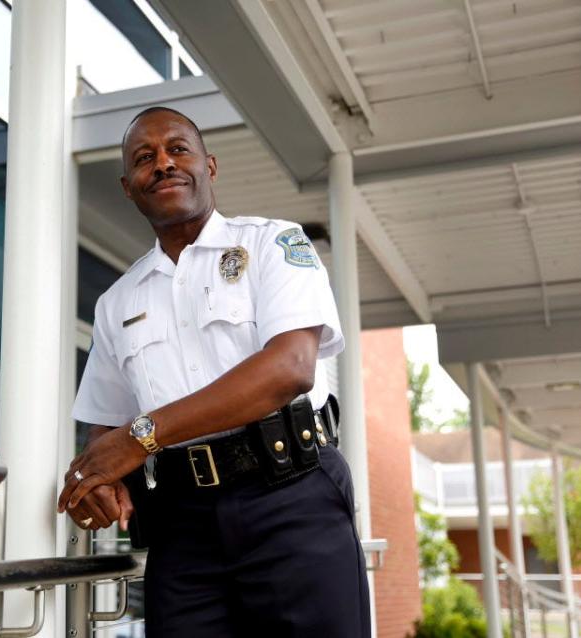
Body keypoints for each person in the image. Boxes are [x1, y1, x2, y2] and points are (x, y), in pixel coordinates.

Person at [57, 106, 370, 637]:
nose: (162, 163)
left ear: (209, 166)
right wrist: (97, 485)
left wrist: (140, 439)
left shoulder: (274, 243)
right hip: (184, 526)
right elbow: (106, 427)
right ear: (129, 188)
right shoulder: (116, 303)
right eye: (143, 158)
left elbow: (290, 369)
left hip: (291, 497)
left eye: (177, 149)